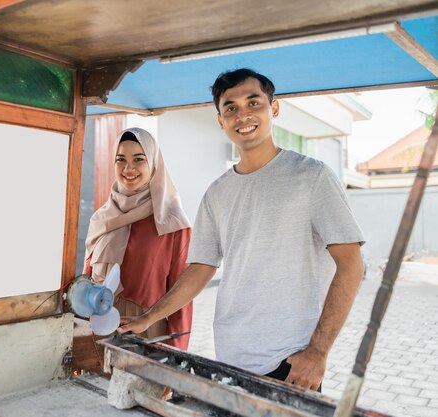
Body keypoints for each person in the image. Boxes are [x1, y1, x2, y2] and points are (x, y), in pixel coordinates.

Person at [118, 69, 365, 390]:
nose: (243, 115)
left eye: (253, 103)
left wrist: (318, 351)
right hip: (229, 356)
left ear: (273, 109)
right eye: (230, 107)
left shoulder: (312, 177)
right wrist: (149, 317)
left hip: (290, 360)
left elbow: (351, 264)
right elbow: (201, 269)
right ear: (220, 121)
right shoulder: (217, 193)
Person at [83, 128, 193, 350]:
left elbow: (182, 298)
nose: (128, 168)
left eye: (139, 159)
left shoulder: (171, 222)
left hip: (147, 331)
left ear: (153, 163)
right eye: (120, 159)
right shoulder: (103, 217)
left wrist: (176, 355)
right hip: (99, 325)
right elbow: (87, 279)